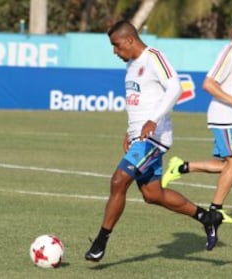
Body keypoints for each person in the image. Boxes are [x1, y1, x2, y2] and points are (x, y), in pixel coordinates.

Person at [85, 20, 223, 262]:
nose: (115, 52)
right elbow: (139, 102)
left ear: (130, 40)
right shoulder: (131, 65)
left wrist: (153, 120)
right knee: (153, 194)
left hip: (154, 139)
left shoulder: (154, 57)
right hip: (141, 138)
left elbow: (175, 88)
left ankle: (101, 240)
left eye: (116, 46)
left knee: (119, 181)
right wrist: (130, 132)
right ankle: (206, 218)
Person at [162, 13, 232, 224]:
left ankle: (180, 167)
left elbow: (230, 86)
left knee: (229, 164)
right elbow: (208, 83)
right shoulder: (229, 53)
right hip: (224, 115)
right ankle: (216, 210)